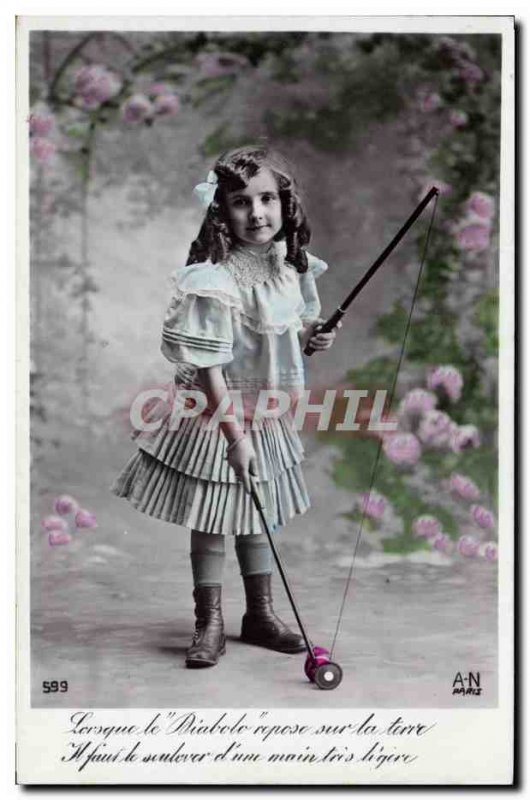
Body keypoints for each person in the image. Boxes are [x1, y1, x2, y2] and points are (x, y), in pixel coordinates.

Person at [112, 144, 338, 669]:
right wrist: (234, 438)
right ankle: (208, 621)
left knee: (258, 511)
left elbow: (286, 333)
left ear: (284, 203)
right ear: (221, 211)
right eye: (241, 202)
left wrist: (312, 337)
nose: (256, 213)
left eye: (267, 199)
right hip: (216, 412)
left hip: (264, 408)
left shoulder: (291, 266)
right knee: (214, 515)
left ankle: (259, 614)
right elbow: (209, 367)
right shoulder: (214, 280)